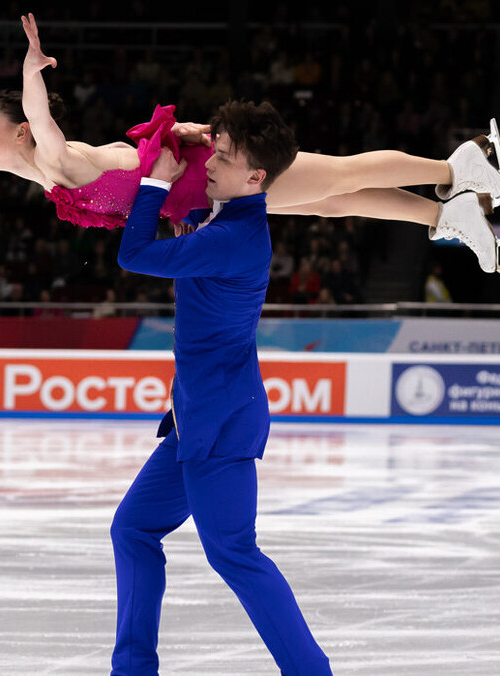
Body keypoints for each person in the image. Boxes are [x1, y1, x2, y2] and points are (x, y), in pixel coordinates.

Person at [0, 14, 500, 274]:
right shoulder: (50, 180)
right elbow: (126, 158)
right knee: (333, 202)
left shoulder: (50, 154)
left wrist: (29, 70)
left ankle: (454, 170)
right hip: (211, 197)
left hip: (217, 171)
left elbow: (42, 116)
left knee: (342, 178)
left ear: (19, 127)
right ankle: (445, 218)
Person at [110, 100, 331, 675]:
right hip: (196, 417)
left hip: (221, 421)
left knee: (233, 552)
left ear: (256, 177)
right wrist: (185, 138)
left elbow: (133, 254)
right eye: (216, 150)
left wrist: (156, 183)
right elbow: (200, 168)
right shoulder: (225, 209)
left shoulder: (232, 237)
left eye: (224, 158)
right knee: (133, 529)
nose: (212, 163)